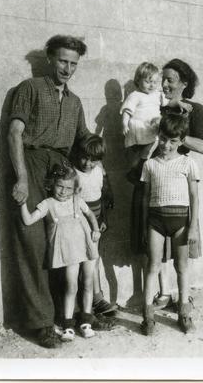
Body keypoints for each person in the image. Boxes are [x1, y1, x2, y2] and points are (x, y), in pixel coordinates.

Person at [8, 34, 91, 349]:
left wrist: (92, 170)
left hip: (62, 170)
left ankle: (67, 315)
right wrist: (21, 178)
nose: (68, 68)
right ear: (50, 59)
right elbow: (15, 133)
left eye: (73, 63)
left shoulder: (75, 101)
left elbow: (84, 139)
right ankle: (40, 322)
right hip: (31, 163)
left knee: (64, 243)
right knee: (32, 243)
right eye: (62, 61)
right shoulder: (29, 89)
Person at [129, 59, 203, 308]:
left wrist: (176, 137)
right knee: (153, 242)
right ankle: (163, 293)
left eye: (170, 80)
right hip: (150, 174)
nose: (163, 84)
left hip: (176, 180)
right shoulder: (155, 104)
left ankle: (179, 295)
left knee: (180, 242)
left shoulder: (194, 109)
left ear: (184, 83)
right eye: (161, 79)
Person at [21, 163, 101, 342]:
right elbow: (27, 220)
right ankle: (68, 325)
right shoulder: (48, 204)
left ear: (74, 189)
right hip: (69, 252)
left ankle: (86, 322)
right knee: (71, 286)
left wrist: (96, 230)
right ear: (51, 184)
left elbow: (90, 215)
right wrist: (22, 202)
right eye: (59, 186)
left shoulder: (77, 201)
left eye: (68, 188)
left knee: (88, 282)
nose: (63, 192)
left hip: (87, 244)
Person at [140, 114, 200, 335]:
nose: (166, 145)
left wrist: (193, 226)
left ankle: (184, 313)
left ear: (181, 141)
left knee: (181, 267)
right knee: (152, 266)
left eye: (173, 141)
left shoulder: (188, 163)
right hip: (156, 221)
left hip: (181, 222)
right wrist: (145, 225)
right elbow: (146, 198)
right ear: (159, 136)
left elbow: (194, 197)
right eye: (163, 139)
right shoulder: (150, 165)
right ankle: (147, 317)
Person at [121, 62, 191, 175]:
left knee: (156, 141)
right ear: (138, 80)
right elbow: (127, 110)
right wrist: (124, 124)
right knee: (135, 154)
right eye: (148, 82)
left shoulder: (157, 94)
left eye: (154, 82)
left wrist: (179, 104)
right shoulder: (135, 95)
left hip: (152, 127)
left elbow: (168, 103)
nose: (151, 85)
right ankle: (137, 167)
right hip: (139, 127)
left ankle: (144, 159)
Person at [74, 135, 116, 315]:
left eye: (93, 160)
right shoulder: (74, 174)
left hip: (96, 224)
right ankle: (83, 303)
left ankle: (96, 298)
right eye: (84, 158)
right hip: (79, 223)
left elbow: (103, 197)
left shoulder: (99, 172)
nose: (87, 163)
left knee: (94, 258)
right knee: (80, 261)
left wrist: (103, 220)